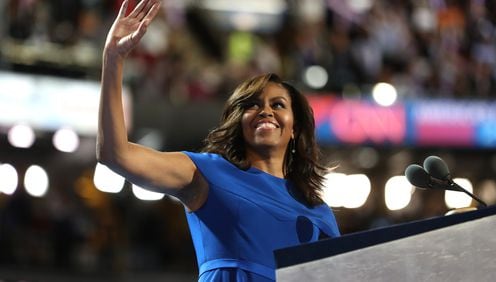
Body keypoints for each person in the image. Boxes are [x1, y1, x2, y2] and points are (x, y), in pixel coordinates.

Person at [97, 0, 341, 281]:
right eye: (252, 104)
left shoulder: (318, 211)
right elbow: (116, 155)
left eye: (278, 105)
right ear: (239, 121)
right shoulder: (206, 173)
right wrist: (113, 58)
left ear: (295, 128)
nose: (265, 111)